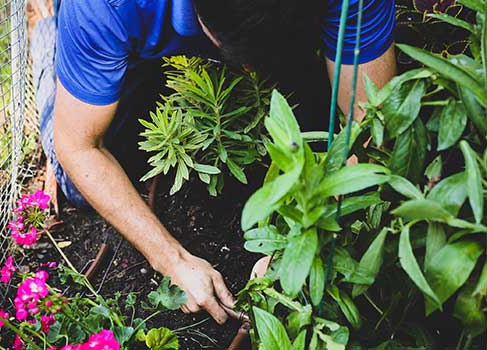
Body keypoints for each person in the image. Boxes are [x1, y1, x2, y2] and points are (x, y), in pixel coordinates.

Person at [29, 0, 396, 325]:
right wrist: (171, 260)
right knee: (78, 184)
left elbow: (366, 128)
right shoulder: (103, 7)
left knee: (311, 115)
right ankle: (46, 29)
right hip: (120, 29)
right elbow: (79, 146)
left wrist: (299, 245)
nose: (253, 71)